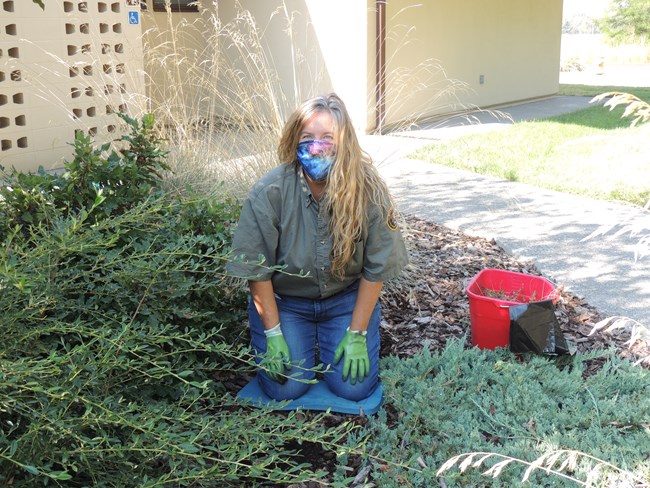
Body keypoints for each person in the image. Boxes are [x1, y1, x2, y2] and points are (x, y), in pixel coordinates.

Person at [227, 93, 407, 402]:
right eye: (307, 137)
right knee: (286, 386)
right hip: (286, 302)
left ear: (344, 141)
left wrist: (357, 333)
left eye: (327, 138)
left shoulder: (369, 191)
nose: (316, 146)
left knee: (355, 387)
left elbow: (377, 268)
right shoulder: (269, 192)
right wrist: (273, 333)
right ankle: (300, 344)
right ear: (293, 140)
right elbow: (256, 270)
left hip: (344, 299)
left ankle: (333, 340)